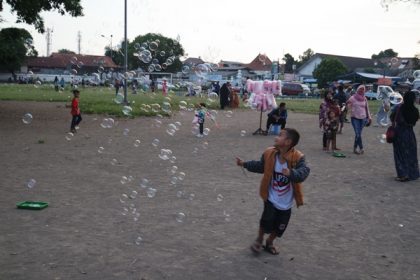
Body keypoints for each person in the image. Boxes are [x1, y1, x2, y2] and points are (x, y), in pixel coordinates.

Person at [236, 128, 310, 255]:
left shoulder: (298, 158)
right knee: (266, 220)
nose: (276, 137)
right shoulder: (269, 153)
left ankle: (269, 242)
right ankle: (259, 239)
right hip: (271, 197)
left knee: (280, 226)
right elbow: (260, 166)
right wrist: (244, 164)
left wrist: (292, 173)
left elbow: (304, 173)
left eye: (280, 135)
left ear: (288, 142)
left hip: (286, 202)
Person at [390, 90, 419, 182]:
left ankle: (403, 175)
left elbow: (392, 117)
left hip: (399, 133)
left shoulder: (399, 108)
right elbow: (415, 121)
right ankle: (412, 173)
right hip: (410, 134)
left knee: (400, 154)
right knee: (411, 154)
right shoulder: (415, 110)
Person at [346, 85, 372, 155]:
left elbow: (367, 109)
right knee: (358, 133)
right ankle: (361, 148)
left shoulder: (365, 99)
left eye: (363, 89)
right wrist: (349, 107)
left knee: (358, 134)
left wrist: (369, 117)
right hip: (354, 118)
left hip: (363, 118)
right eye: (360, 89)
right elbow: (347, 104)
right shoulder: (352, 98)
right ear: (357, 90)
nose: (361, 91)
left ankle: (354, 148)